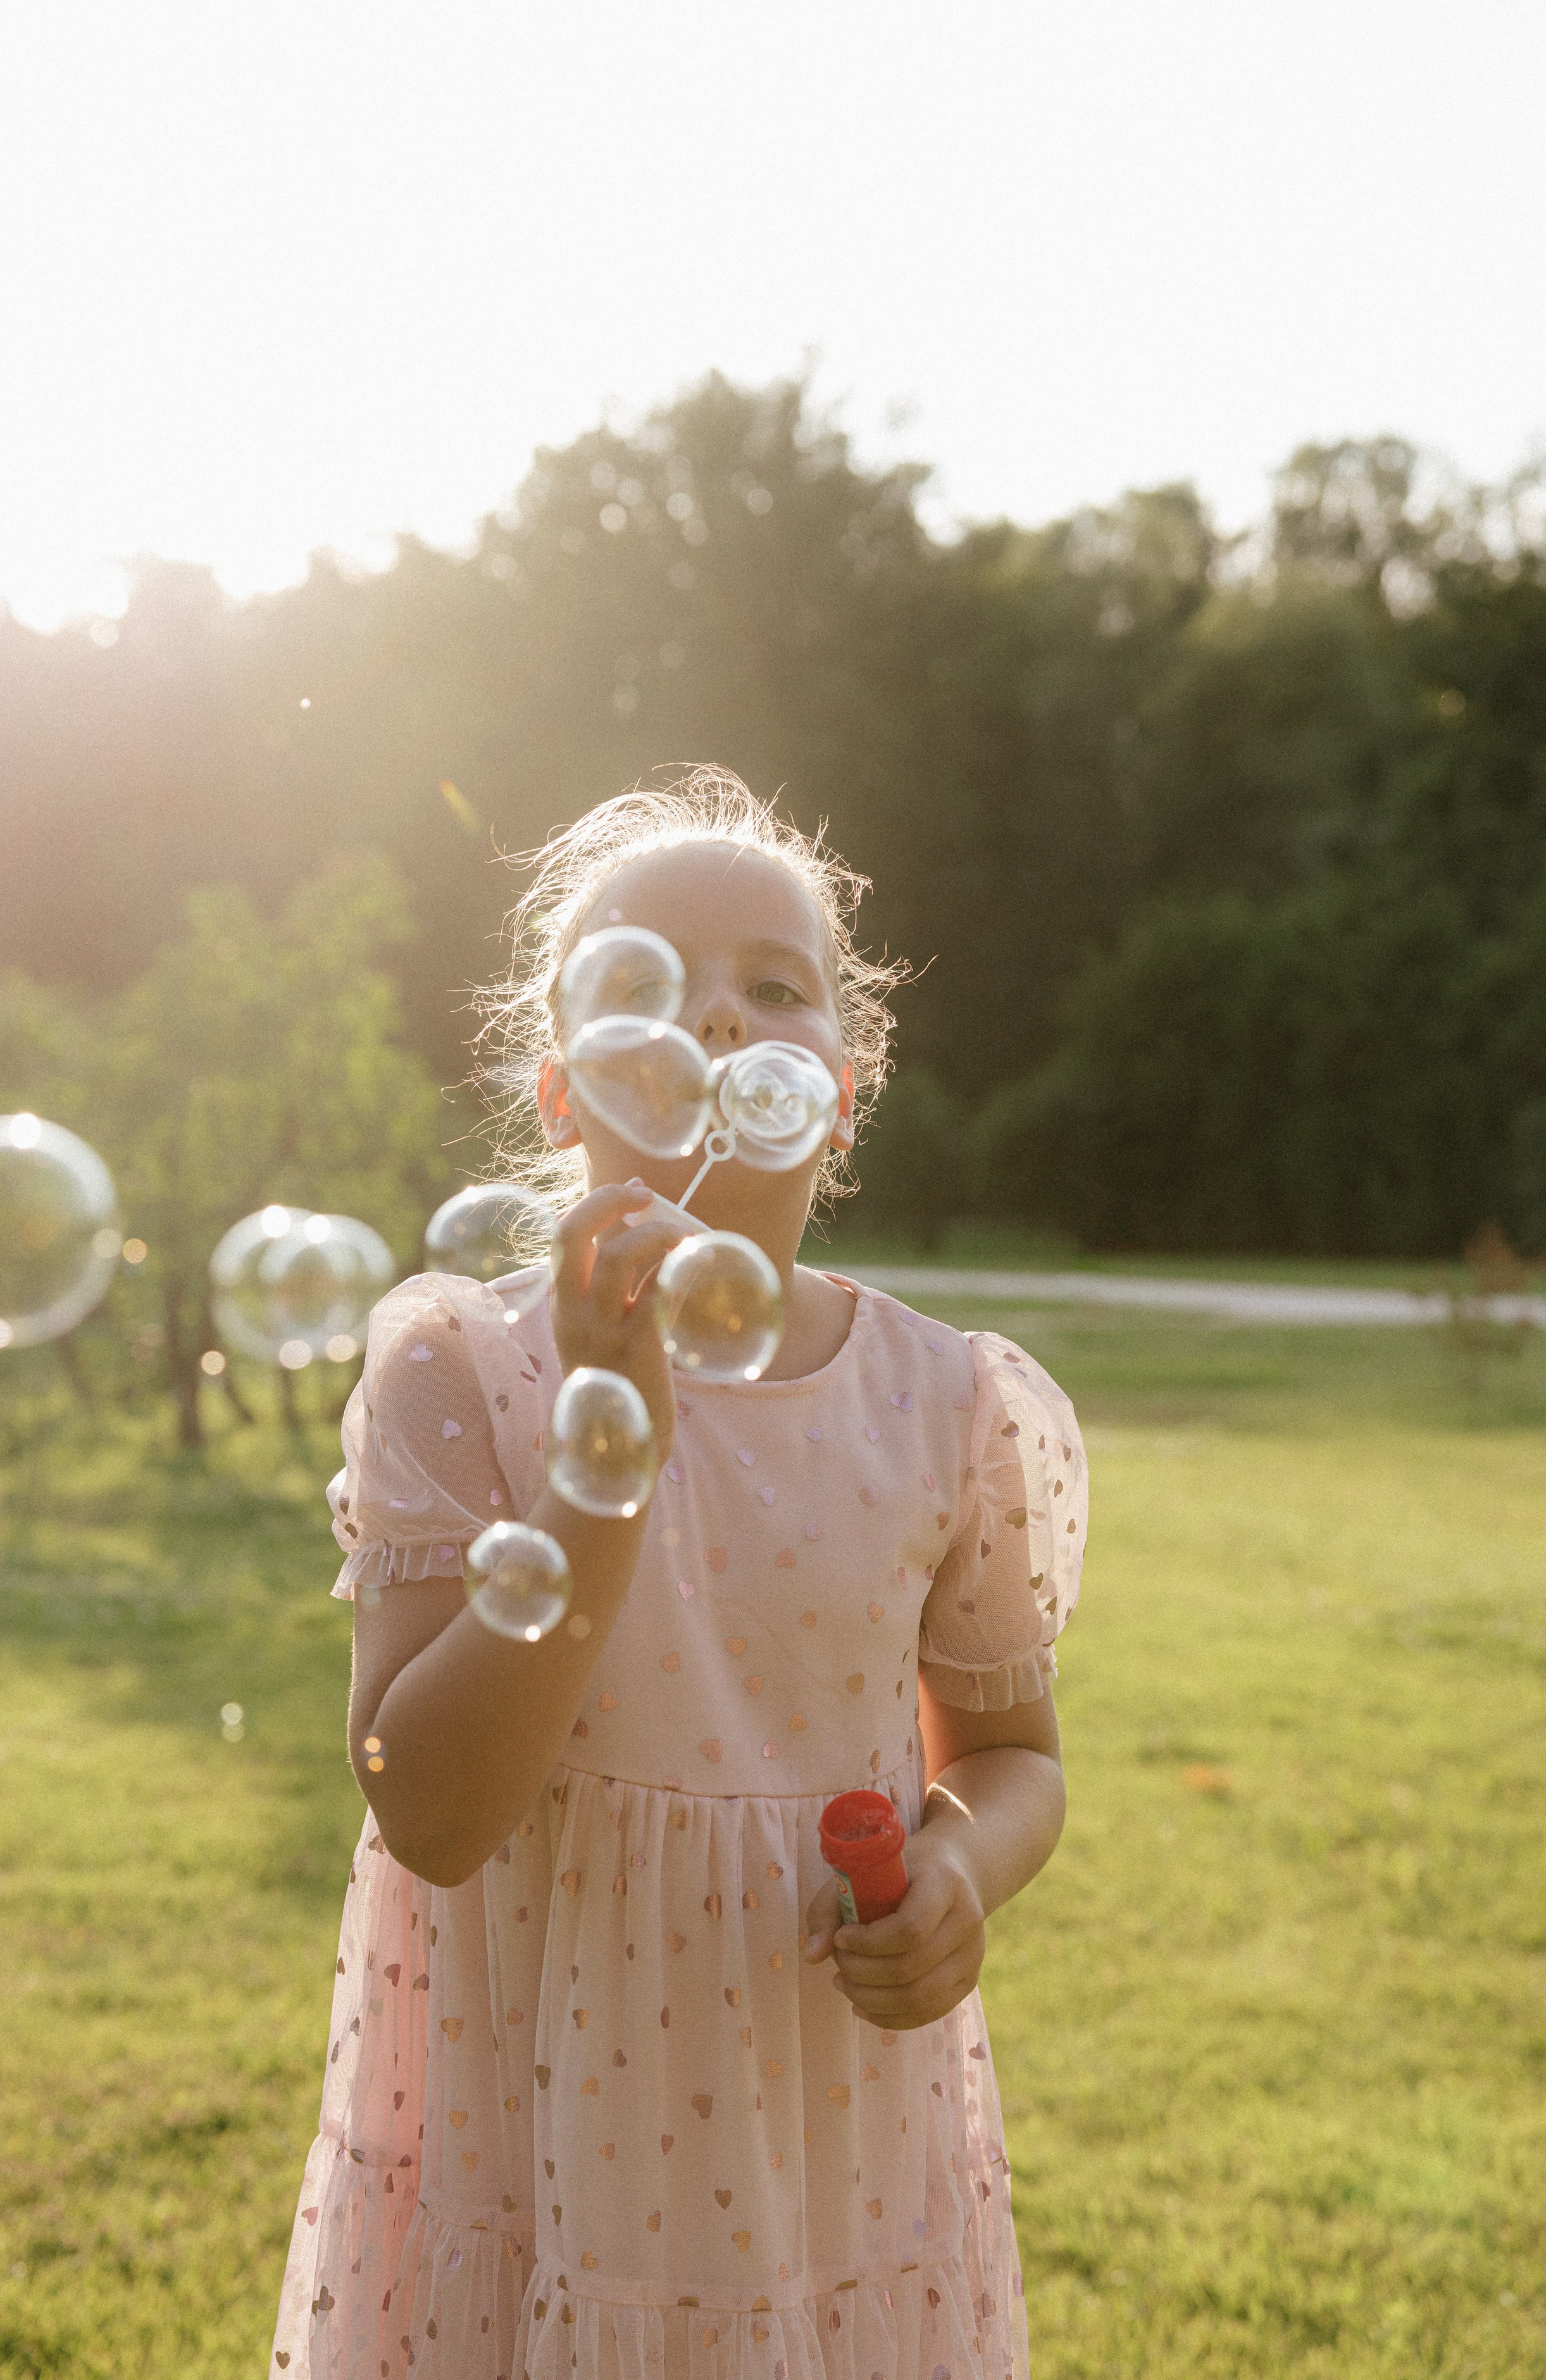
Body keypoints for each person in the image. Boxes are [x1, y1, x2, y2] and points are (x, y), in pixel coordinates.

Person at [271, 769, 1087, 2380]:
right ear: (562, 1089)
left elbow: (1008, 1759)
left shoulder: (947, 1406)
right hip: (544, 2118)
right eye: (650, 982)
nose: (717, 1018)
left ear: (838, 1090)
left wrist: (959, 1873)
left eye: (773, 988)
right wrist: (604, 1464)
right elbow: (428, 1813)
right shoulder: (464, 1370)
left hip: (827, 2118)